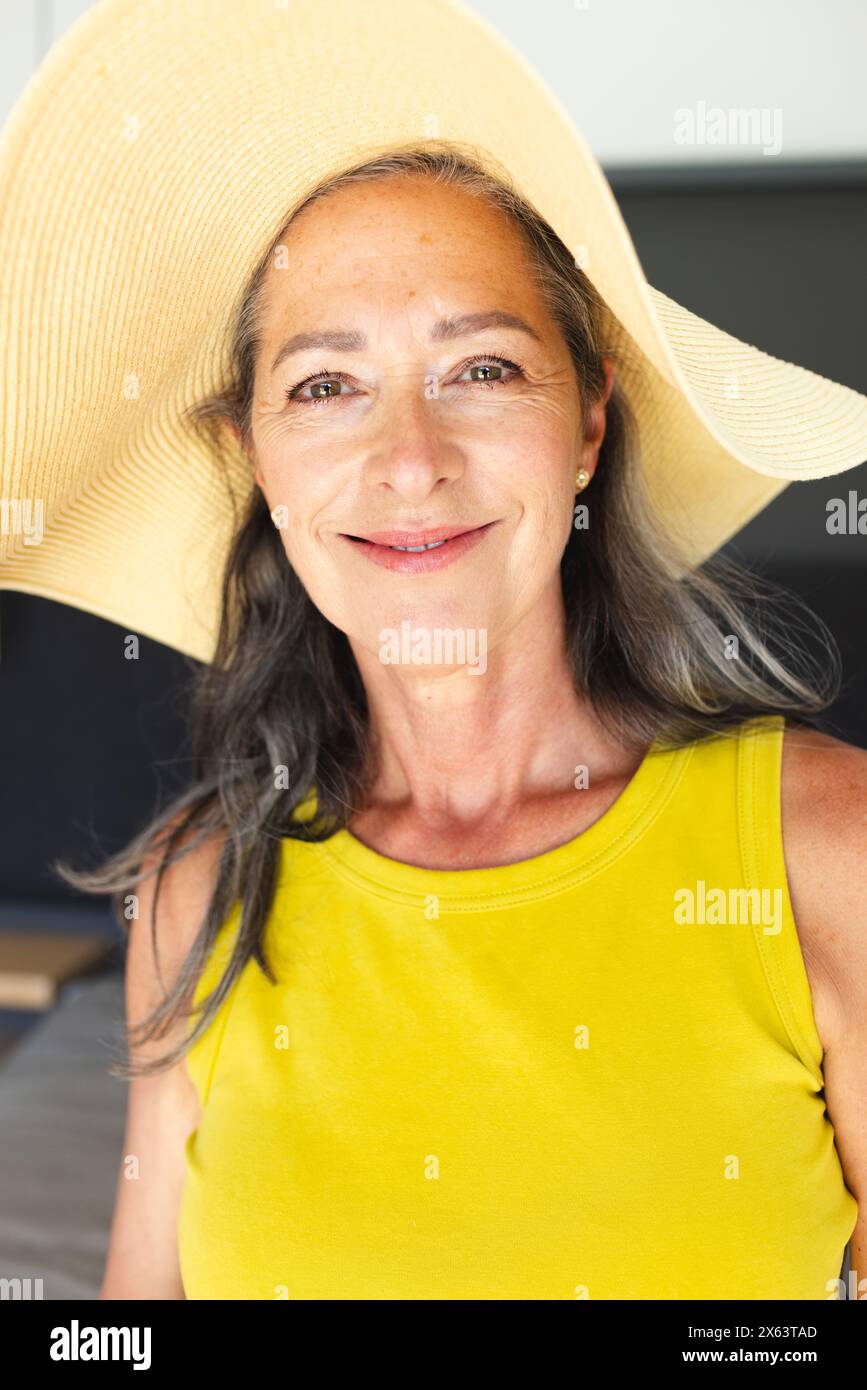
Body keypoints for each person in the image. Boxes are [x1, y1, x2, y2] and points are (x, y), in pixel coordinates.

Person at [1, 0, 865, 1301]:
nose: (410, 460)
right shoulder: (200, 891)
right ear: (256, 462)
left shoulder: (827, 849)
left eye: (483, 367)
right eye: (325, 386)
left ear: (586, 425)